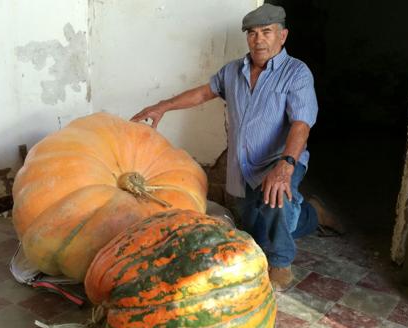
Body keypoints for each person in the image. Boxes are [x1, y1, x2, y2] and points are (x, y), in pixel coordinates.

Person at [131, 4, 327, 291]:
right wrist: (163, 106)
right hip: (244, 166)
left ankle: (281, 262)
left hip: (279, 160)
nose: (258, 39)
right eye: (252, 33)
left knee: (277, 201)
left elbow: (301, 124)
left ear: (282, 36)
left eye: (267, 32)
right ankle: (314, 214)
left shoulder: (296, 73)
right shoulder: (233, 71)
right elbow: (202, 93)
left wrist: (286, 165)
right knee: (257, 230)